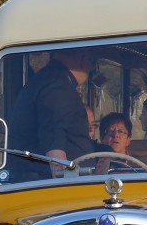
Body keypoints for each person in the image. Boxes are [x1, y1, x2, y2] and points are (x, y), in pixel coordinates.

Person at [6, 48, 96, 181]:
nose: (90, 68)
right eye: (91, 62)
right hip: (45, 179)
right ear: (82, 57)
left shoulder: (48, 80)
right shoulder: (57, 85)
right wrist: (62, 179)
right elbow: (54, 136)